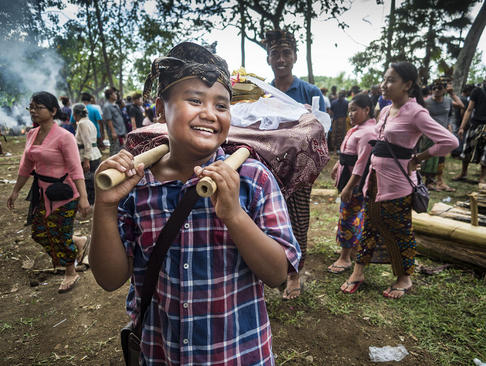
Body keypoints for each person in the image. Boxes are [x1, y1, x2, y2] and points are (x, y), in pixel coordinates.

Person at [89, 42, 300, 365]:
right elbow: (110, 279)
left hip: (239, 353)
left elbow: (277, 274)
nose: (209, 114)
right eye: (194, 100)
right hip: (162, 352)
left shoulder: (252, 177)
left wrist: (234, 214)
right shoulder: (136, 183)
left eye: (221, 105)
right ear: (161, 109)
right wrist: (103, 207)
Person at [340, 62, 458, 299]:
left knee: (400, 231)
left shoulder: (417, 113)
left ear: (408, 85)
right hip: (373, 182)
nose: (384, 85)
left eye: (391, 80)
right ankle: (358, 272)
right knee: (369, 226)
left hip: (398, 186)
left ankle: (404, 278)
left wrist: (420, 157)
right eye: (384, 79)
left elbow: (450, 142)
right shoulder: (384, 110)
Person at [7, 91, 90, 293]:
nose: (33, 111)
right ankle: (77, 241)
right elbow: (26, 166)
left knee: (59, 234)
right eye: (31, 107)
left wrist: (84, 199)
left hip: (65, 193)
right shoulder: (31, 134)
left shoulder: (65, 137)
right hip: (42, 193)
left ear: (53, 111)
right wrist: (15, 191)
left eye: (38, 107)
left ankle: (71, 271)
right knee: (39, 232)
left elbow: (75, 169)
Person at [264, 29, 325, 299]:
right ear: (268, 59)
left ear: (295, 57)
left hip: (300, 172)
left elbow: (321, 131)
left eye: (286, 53)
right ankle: (275, 269)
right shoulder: (264, 94)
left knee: (299, 222)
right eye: (275, 53)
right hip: (271, 170)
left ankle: (294, 275)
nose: (281, 58)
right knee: (272, 221)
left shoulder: (310, 92)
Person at [329, 94, 377, 273]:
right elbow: (346, 152)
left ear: (366, 110)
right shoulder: (357, 129)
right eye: (349, 111)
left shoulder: (368, 132)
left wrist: (349, 187)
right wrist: (337, 165)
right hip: (348, 178)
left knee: (349, 217)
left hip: (356, 183)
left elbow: (361, 163)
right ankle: (353, 249)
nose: (351, 114)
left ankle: (345, 257)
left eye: (354, 110)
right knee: (351, 214)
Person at [420, 79, 463, 191]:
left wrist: (452, 93)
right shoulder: (427, 102)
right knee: (428, 159)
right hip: (429, 134)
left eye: (440, 88)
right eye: (434, 87)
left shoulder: (448, 101)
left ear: (444, 90)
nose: (436, 90)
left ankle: (439, 181)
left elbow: (461, 105)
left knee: (441, 159)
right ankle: (428, 182)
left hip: (443, 134)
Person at [455, 79, 486, 183]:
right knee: (467, 149)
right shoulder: (477, 91)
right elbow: (469, 109)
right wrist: (462, 127)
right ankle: (463, 173)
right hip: (475, 124)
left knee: (485, 153)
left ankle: (482, 178)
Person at [72, 103, 102, 205]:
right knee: (93, 180)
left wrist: (86, 159)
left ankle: (91, 204)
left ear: (75, 114)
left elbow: (87, 142)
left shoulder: (82, 124)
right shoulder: (89, 122)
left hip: (89, 156)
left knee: (89, 181)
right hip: (94, 154)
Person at [102, 87, 127, 156]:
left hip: (120, 131)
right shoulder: (107, 106)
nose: (116, 95)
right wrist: (113, 132)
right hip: (115, 132)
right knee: (114, 151)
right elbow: (108, 120)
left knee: (121, 150)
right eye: (115, 94)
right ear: (110, 95)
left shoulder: (115, 105)